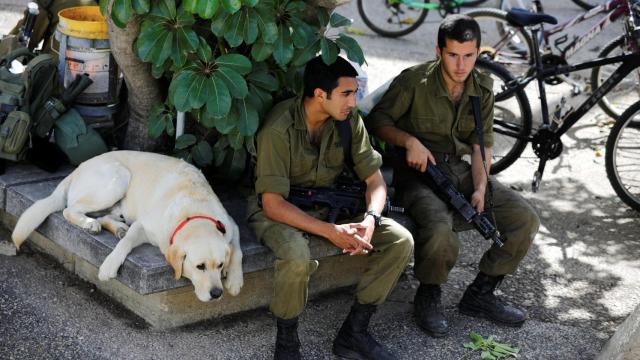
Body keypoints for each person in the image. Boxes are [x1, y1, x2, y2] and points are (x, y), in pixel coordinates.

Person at [365, 14, 540, 338]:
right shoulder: (414, 82)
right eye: (453, 55)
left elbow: (480, 147)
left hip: (457, 170)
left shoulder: (481, 91)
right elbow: (376, 121)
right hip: (415, 175)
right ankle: (428, 294)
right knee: (441, 229)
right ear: (438, 51)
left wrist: (480, 187)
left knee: (523, 218)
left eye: (469, 55)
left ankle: (480, 294)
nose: (461, 65)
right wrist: (409, 141)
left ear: (478, 53)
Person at [248, 56, 414, 359]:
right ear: (320, 94)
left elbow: (375, 182)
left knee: (401, 240)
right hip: (281, 209)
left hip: (331, 204)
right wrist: (329, 231)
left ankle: (354, 332)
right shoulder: (278, 128)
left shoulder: (349, 121)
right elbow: (272, 203)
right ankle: (286, 342)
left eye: (355, 93)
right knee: (297, 256)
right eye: (346, 94)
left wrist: (371, 219)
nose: (354, 101)